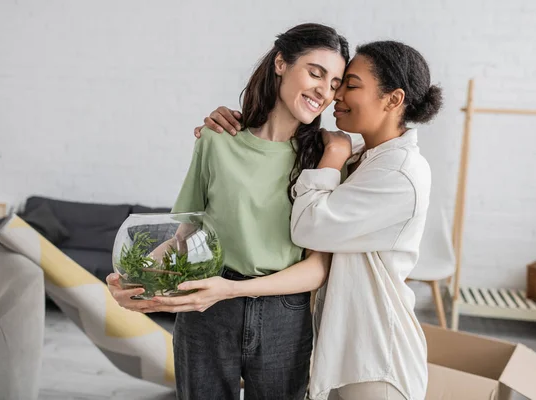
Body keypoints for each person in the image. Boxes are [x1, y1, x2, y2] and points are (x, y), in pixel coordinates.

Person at [181, 40, 443, 400]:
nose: (334, 97)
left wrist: (332, 155)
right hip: (342, 346)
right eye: (329, 80)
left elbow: (311, 230)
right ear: (280, 64)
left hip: (376, 352)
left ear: (393, 100)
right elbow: (191, 227)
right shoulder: (363, 158)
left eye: (346, 85)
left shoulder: (398, 172)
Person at [107, 23, 349, 400]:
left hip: (285, 316)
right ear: (281, 63)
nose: (324, 90)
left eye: (335, 83)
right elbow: (184, 237)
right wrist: (135, 280)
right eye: (315, 73)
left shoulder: (327, 157)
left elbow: (319, 267)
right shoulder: (217, 139)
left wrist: (232, 290)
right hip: (206, 310)